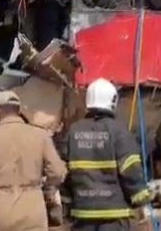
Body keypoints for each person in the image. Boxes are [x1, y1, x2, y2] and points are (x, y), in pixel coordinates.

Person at [0, 91, 67, 231]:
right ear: (18, 110)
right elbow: (58, 173)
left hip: (0, 213)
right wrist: (46, 188)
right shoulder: (40, 136)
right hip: (33, 210)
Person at [62, 78, 150, 231]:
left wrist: (68, 204)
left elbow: (63, 173)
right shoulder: (119, 132)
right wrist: (142, 201)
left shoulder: (73, 132)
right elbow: (131, 171)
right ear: (113, 100)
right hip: (114, 218)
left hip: (83, 217)